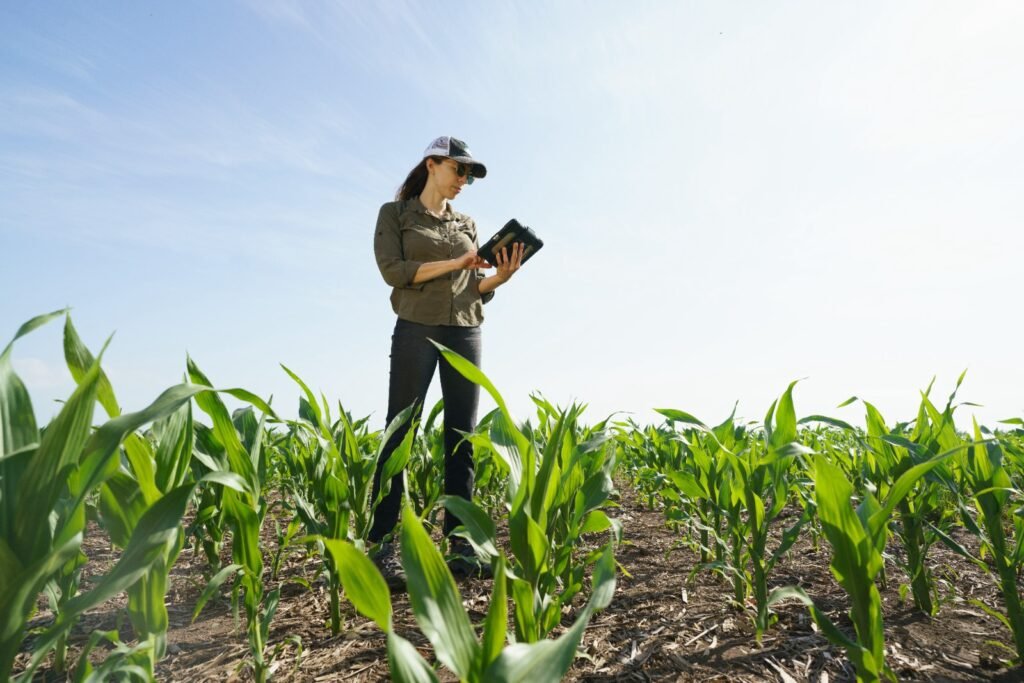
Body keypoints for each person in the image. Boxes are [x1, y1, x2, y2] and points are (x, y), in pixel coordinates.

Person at [369, 135, 524, 588]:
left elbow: (473, 287)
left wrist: (500, 276)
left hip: (466, 329)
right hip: (416, 329)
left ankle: (461, 546)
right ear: (433, 164)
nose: (463, 181)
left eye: (469, 176)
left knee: (462, 437)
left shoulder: (467, 223)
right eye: (460, 170)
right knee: (400, 432)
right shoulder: (395, 215)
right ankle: (380, 546)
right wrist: (457, 263)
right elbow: (394, 272)